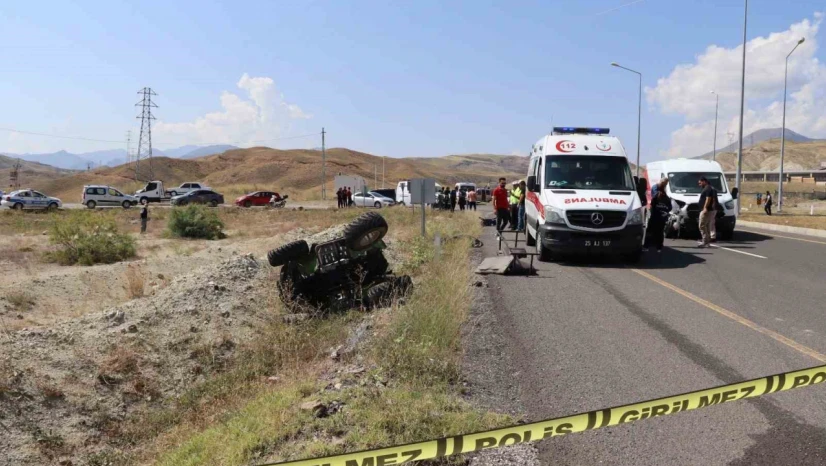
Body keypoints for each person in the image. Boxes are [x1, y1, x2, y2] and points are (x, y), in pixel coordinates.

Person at [644, 180, 671, 252]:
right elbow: (670, 207)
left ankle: (646, 246)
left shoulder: (656, 196)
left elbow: (652, 204)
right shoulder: (667, 198)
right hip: (662, 217)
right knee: (660, 232)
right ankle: (659, 248)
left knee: (649, 231)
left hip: (654, 216)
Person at [697, 177, 715, 248]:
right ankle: (707, 242)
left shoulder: (708, 189)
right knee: (706, 226)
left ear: (704, 181)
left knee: (701, 225)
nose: (699, 184)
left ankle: (704, 241)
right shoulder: (707, 188)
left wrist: (705, 208)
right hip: (707, 210)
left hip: (706, 210)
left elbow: (708, 199)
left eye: (700, 183)